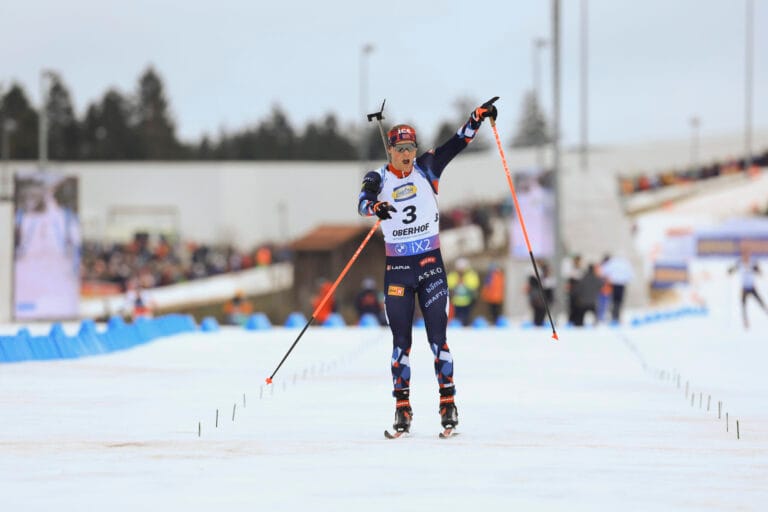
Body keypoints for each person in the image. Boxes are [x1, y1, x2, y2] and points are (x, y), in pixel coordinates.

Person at [357, 97, 498, 436]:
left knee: (438, 338)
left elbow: (458, 141)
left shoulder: (427, 168)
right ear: (390, 150)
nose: (407, 154)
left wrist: (476, 117)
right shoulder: (377, 177)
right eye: (400, 148)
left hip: (431, 267)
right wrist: (375, 206)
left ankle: (448, 404)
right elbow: (361, 203)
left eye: (411, 147)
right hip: (398, 271)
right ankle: (402, 409)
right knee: (400, 342)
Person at [727, 248, 767, 329]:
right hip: (744, 288)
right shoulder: (740, 263)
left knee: (761, 302)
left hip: (752, 287)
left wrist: (756, 270)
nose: (746, 257)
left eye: (747, 255)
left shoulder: (752, 262)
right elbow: (731, 270)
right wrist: (730, 271)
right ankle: (745, 322)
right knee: (743, 305)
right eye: (744, 255)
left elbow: (759, 272)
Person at [600, 253, 635, 324]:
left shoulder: (612, 262)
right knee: (619, 302)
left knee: (613, 301)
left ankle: (613, 316)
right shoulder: (625, 263)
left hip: (613, 284)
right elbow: (631, 275)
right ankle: (616, 316)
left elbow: (603, 271)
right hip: (621, 284)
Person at [447, 258, 480, 326]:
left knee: (466, 318)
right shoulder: (452, 275)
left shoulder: (471, 275)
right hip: (455, 302)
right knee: (457, 319)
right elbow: (449, 285)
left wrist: (464, 284)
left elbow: (474, 285)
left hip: (468, 301)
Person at [526, 260, 554, 326]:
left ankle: (539, 327)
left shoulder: (549, 279)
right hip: (538, 300)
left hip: (544, 301)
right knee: (538, 316)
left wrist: (550, 300)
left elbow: (550, 292)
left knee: (542, 317)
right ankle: (537, 328)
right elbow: (533, 289)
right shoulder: (534, 278)